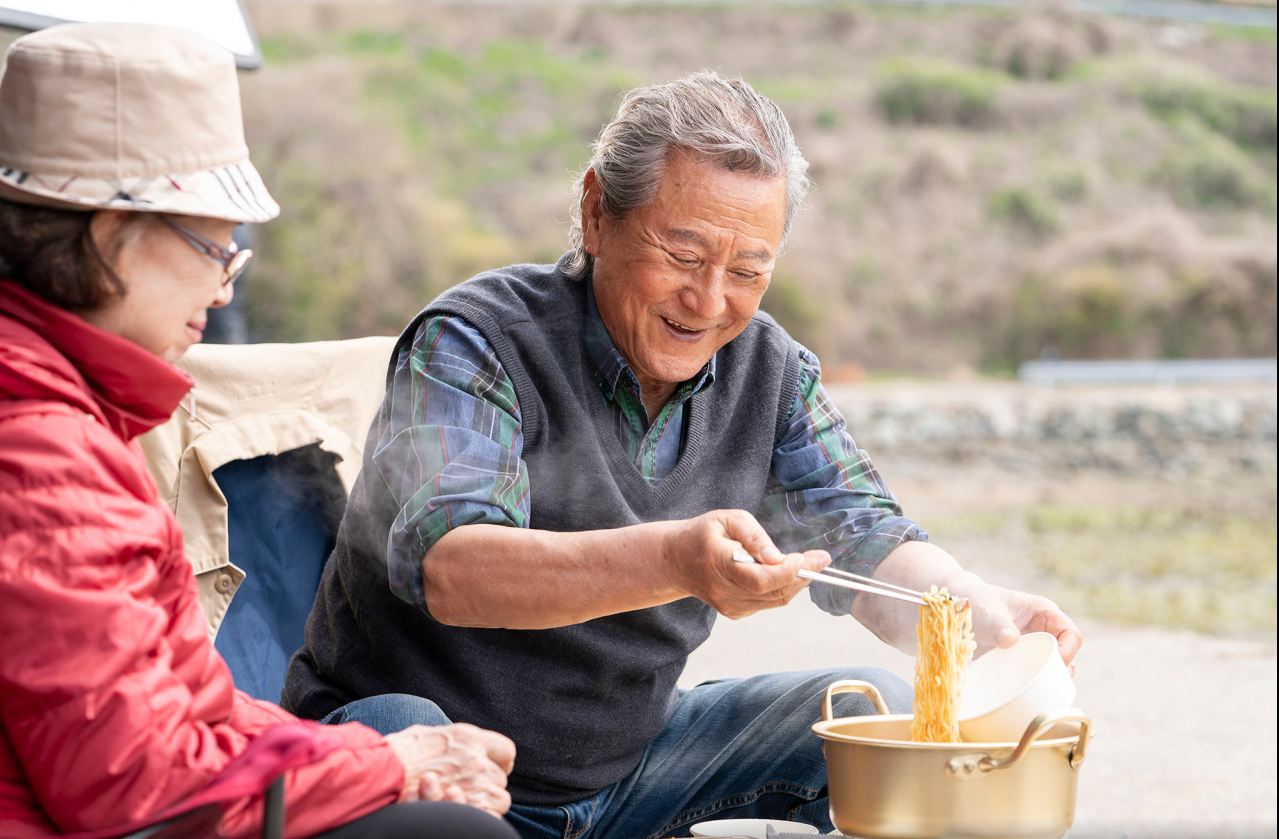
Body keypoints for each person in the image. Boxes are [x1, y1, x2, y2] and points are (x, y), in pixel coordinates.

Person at [282, 70, 1083, 839]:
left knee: (873, 708)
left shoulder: (770, 373)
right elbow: (452, 570)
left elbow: (865, 538)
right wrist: (673, 557)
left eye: (746, 270)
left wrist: (980, 609)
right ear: (598, 213)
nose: (708, 301)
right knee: (410, 753)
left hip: (631, 767)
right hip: (422, 734)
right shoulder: (475, 339)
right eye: (683, 255)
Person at [0, 22, 519, 839]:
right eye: (215, 247)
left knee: (395, 720)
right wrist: (392, 767)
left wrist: (365, 753)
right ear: (108, 239)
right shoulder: (40, 450)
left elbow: (178, 702)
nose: (222, 284)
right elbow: (132, 779)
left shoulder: (58, 403)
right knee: (453, 826)